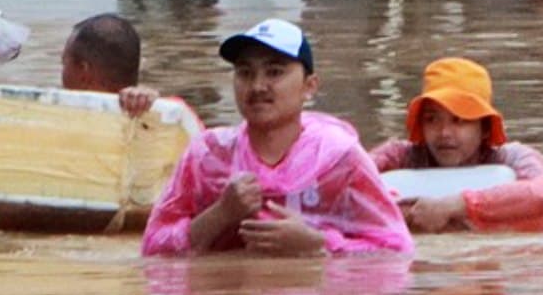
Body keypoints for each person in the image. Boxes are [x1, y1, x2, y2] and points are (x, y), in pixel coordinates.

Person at [142, 19, 413, 258]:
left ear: (310, 86)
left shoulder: (340, 161)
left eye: (274, 72)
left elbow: (396, 251)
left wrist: (318, 245)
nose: (258, 86)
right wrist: (219, 215)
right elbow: (152, 249)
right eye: (245, 73)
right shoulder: (209, 157)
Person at [369, 57, 543, 234]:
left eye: (459, 120)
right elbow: (347, 176)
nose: (444, 132)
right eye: (431, 119)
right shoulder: (399, 156)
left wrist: (456, 205)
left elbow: (541, 194)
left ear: (485, 128)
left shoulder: (514, 158)